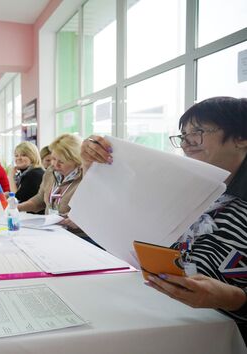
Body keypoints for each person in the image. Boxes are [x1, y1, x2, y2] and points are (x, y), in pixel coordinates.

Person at [81, 96, 247, 340]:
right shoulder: (188, 187)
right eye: (183, 135)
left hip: (224, 334)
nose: (187, 143)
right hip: (167, 316)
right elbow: (119, 209)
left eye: (198, 131)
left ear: (241, 138)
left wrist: (235, 299)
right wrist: (93, 164)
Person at [18, 134, 87, 237]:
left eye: (61, 161)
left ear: (76, 161)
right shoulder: (50, 172)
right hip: (51, 231)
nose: (55, 164)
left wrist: (78, 220)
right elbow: (39, 199)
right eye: (54, 158)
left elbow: (94, 213)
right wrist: (17, 207)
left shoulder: (85, 179)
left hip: (77, 237)